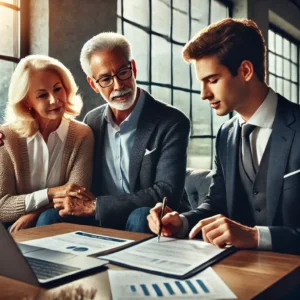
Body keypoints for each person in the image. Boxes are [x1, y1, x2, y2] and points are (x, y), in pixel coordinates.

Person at [147, 18, 300, 255]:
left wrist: (255, 236)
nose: (203, 94)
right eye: (202, 83)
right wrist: (182, 222)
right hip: (236, 270)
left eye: (212, 80)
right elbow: (217, 203)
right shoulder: (226, 135)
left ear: (246, 71)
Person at [38, 32, 191, 232]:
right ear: (94, 84)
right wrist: (10, 137)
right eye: (105, 79)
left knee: (140, 216)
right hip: (100, 218)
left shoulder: (172, 121)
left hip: (150, 217)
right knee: (50, 217)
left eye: (123, 73)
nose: (118, 85)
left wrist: (96, 206)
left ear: (133, 69)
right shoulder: (91, 121)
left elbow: (166, 193)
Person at [0, 55, 95, 232]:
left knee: (49, 216)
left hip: (61, 222)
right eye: (43, 95)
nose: (54, 99)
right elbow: (2, 206)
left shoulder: (82, 134)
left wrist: (32, 215)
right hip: (10, 229)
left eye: (58, 89)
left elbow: (75, 198)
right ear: (27, 101)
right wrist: (51, 193)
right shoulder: (6, 137)